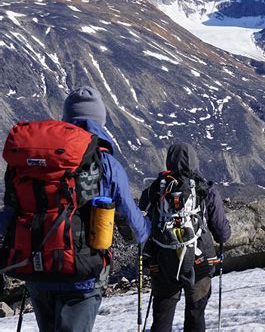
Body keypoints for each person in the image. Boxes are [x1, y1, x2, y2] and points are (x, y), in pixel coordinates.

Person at [0, 86, 151, 332]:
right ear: (100, 120)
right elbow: (134, 228)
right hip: (82, 276)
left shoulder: (31, 163)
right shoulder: (104, 162)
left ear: (66, 119)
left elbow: (9, 215)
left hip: (37, 270)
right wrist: (148, 229)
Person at [140, 142, 231, 332]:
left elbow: (142, 227)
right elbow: (222, 233)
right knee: (195, 314)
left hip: (163, 262)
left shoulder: (154, 190)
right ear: (194, 160)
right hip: (199, 261)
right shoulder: (205, 189)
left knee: (162, 317)